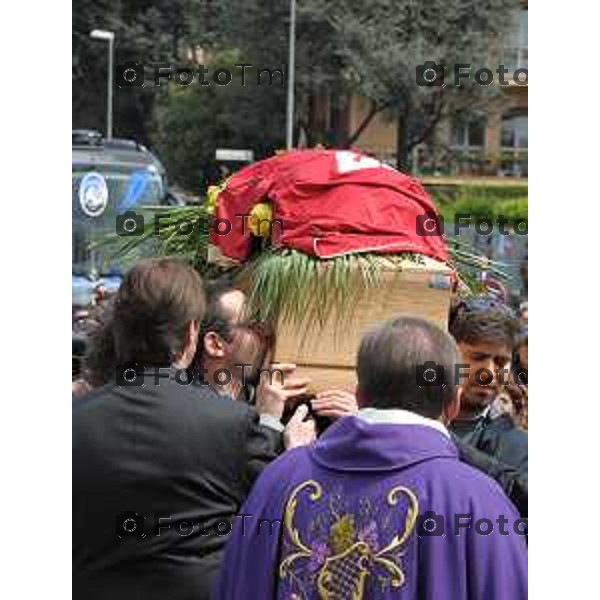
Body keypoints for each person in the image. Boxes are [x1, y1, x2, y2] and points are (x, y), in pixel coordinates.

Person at [215, 317, 528, 599]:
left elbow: (237, 584)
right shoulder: (480, 501)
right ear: (453, 405)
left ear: (359, 395)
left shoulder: (279, 479)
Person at [73, 258, 312, 600]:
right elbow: (268, 512)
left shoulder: (74, 419)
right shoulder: (229, 422)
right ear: (191, 336)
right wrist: (295, 454)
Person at [448, 296, 528, 484]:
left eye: (500, 362)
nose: (489, 373)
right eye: (478, 357)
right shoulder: (404, 422)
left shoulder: (520, 450)